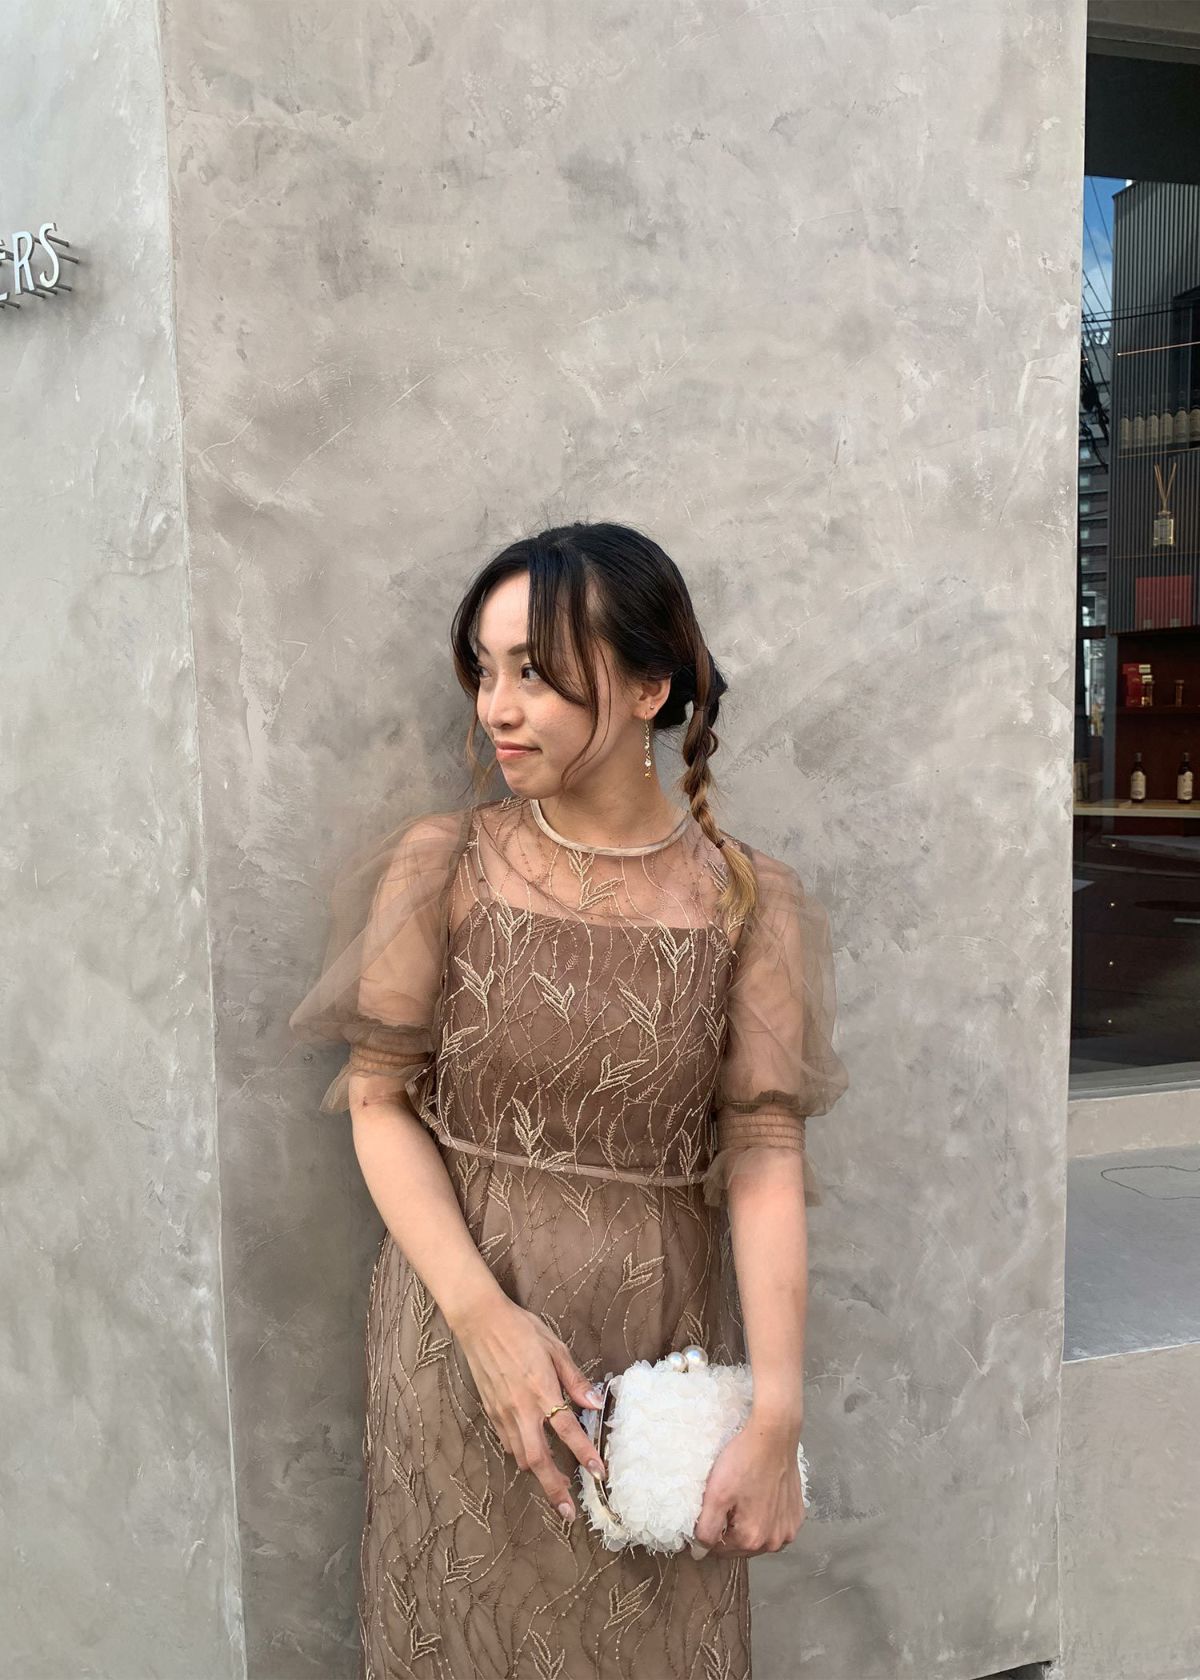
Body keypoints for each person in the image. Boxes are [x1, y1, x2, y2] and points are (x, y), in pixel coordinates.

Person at [288, 521, 850, 1679]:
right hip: (456, 1335)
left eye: (536, 674)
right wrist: (484, 1322)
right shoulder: (445, 864)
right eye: (484, 670)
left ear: (650, 688)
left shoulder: (749, 903)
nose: (497, 707)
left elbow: (764, 1157)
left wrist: (777, 1419)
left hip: (659, 1369)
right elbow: (379, 1102)